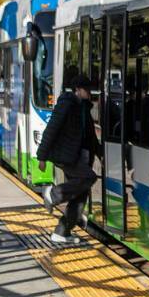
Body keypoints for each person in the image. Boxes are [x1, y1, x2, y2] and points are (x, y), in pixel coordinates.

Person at [36, 72, 98, 245]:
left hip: (79, 156)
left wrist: (100, 154)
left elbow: (91, 136)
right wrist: (42, 156)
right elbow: (52, 129)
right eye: (87, 89)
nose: (90, 92)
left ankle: (62, 232)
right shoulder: (67, 104)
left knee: (80, 196)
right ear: (78, 89)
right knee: (89, 177)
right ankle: (53, 194)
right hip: (67, 156)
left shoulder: (84, 107)